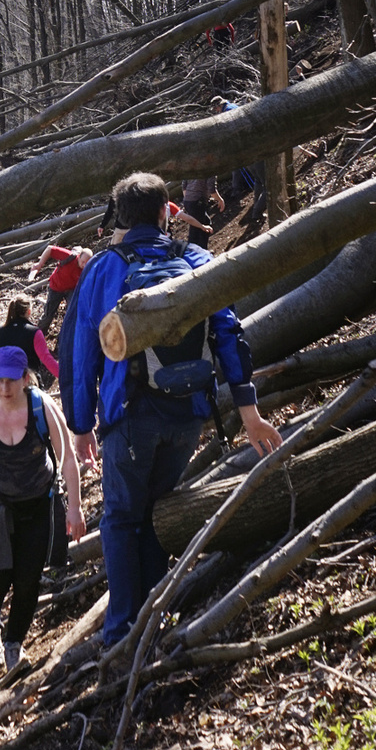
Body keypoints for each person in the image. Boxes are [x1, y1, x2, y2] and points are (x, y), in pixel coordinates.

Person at [69, 171, 282, 648]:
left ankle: (123, 629)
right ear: (168, 212)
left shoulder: (102, 269)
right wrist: (247, 408)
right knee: (157, 509)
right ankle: (154, 617)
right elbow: (229, 332)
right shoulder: (195, 258)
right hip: (189, 413)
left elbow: (82, 355)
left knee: (123, 517)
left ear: (120, 218)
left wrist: (81, 424)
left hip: (129, 415)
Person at [0, 346, 86, 672]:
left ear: (25, 378)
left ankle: (14, 641)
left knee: (28, 580)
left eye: (11, 380)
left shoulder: (43, 408)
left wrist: (75, 508)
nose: (4, 387)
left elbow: (67, 457)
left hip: (37, 505)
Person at [0, 297, 58, 387]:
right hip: (29, 381)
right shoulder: (34, 332)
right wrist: (63, 375)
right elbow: (46, 359)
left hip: (5, 382)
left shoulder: (0, 332)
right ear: (29, 311)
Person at [32, 243, 93, 334]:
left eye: (86, 263)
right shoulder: (69, 256)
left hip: (71, 289)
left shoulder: (88, 269)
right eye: (82, 262)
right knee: (48, 315)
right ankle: (38, 336)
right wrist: (40, 264)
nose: (84, 265)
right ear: (79, 257)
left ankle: (64, 338)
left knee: (72, 313)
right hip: (56, 287)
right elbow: (50, 249)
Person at [181, 172, 225, 248]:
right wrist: (220, 200)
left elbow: (184, 186)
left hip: (188, 201)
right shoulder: (210, 170)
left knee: (202, 224)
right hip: (197, 202)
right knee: (201, 228)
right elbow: (212, 190)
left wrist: (188, 199)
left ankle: (199, 250)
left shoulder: (193, 167)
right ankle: (199, 251)